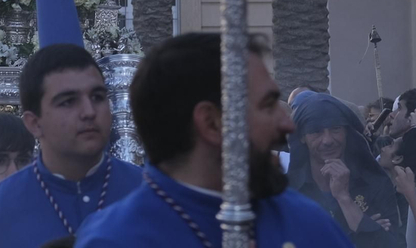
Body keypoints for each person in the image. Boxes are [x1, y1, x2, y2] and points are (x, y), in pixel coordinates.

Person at [74, 33, 352, 248]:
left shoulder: (307, 224)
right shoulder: (115, 240)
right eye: (267, 105)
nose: (287, 124)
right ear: (210, 123)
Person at [0, 44, 144, 248]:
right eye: (68, 101)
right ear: (34, 123)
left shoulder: (150, 193)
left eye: (97, 97)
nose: (89, 111)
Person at [288, 90, 403, 247]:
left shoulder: (375, 182)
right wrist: (362, 230)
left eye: (335, 129)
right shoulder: (289, 191)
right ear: (302, 137)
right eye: (316, 132)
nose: (327, 140)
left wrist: (344, 199)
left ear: (347, 133)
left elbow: (391, 245)